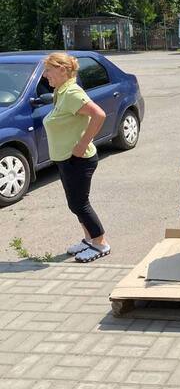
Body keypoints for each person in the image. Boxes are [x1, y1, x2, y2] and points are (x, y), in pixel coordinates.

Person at [42, 52, 110, 262]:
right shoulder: (61, 91)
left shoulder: (71, 92)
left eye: (48, 70)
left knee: (80, 204)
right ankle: (89, 239)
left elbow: (99, 114)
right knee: (75, 203)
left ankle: (100, 243)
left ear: (62, 70)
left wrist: (82, 144)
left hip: (78, 160)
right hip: (66, 159)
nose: (45, 75)